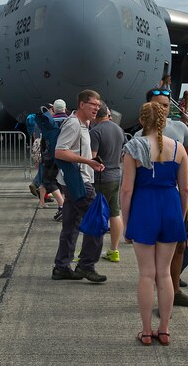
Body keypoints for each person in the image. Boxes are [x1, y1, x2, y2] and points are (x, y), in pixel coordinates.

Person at [121, 101, 188, 346]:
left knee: (146, 275)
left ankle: (147, 331)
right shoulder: (178, 149)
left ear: (141, 121)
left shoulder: (133, 148)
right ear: (163, 122)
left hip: (144, 208)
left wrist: (127, 223)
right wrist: (179, 217)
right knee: (165, 274)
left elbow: (127, 191)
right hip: (170, 207)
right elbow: (185, 191)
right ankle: (165, 329)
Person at [138, 87, 188, 308]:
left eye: (165, 105)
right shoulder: (140, 136)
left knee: (181, 245)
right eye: (158, 105)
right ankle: (163, 297)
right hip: (154, 199)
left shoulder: (180, 128)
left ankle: (174, 291)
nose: (162, 110)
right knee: (156, 252)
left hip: (176, 196)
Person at [51, 89, 107, 283]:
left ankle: (62, 267)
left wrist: (92, 162)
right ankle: (86, 266)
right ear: (82, 104)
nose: (96, 108)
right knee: (97, 222)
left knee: (71, 225)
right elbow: (60, 151)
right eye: (93, 104)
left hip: (74, 180)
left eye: (98, 106)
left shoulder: (85, 124)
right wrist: (88, 161)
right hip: (78, 182)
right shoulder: (74, 124)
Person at [91, 102, 128, 263]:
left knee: (96, 214)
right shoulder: (119, 129)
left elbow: (93, 157)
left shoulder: (95, 131)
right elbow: (123, 154)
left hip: (100, 177)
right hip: (115, 175)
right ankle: (114, 250)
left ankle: (91, 251)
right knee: (114, 212)